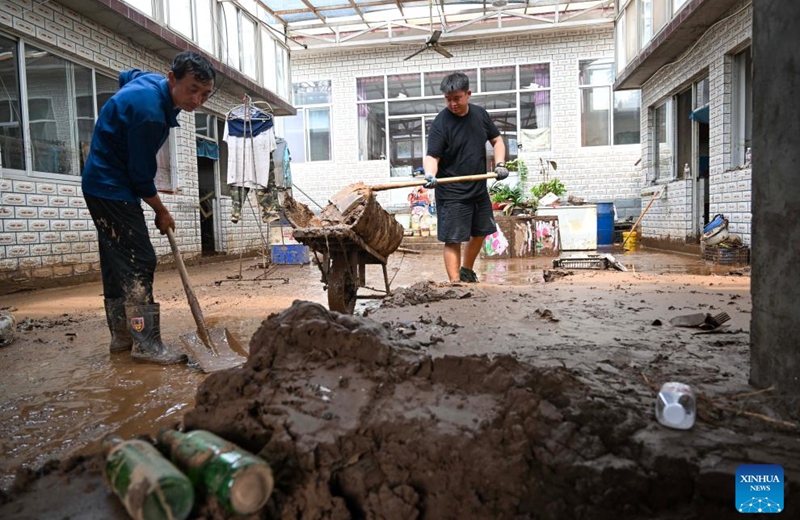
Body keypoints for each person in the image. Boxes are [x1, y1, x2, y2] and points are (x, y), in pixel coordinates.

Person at [82, 51, 216, 364]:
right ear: (172, 79)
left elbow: (126, 75)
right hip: (111, 186)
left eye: (205, 93)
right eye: (192, 89)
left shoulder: (150, 83)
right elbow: (141, 178)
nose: (197, 100)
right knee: (139, 259)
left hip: (100, 183)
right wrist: (162, 210)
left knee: (117, 260)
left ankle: (121, 336)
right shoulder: (151, 115)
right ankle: (146, 344)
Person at [423, 72, 508, 283]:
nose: (452, 103)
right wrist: (430, 174)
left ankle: (466, 271)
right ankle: (455, 284)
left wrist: (500, 164)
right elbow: (432, 155)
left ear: (468, 94)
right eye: (448, 99)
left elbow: (497, 141)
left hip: (478, 189)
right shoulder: (441, 123)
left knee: (481, 231)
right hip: (452, 193)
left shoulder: (480, 115)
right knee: (453, 239)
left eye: (456, 98)